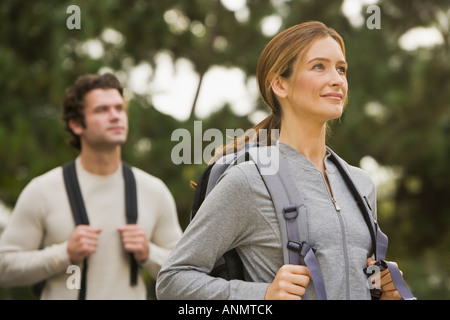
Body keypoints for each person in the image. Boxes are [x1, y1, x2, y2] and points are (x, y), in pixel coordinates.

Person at [156, 21, 405, 300]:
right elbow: (172, 280)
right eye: (319, 66)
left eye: (341, 69)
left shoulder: (361, 184)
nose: (337, 79)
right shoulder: (249, 181)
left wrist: (381, 288)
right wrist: (263, 295)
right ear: (279, 84)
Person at [0, 73, 183, 299]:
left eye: (119, 108)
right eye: (102, 110)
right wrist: (63, 253)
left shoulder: (154, 191)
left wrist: (149, 253)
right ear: (76, 124)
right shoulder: (42, 190)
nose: (115, 116)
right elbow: (4, 268)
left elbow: (184, 272)